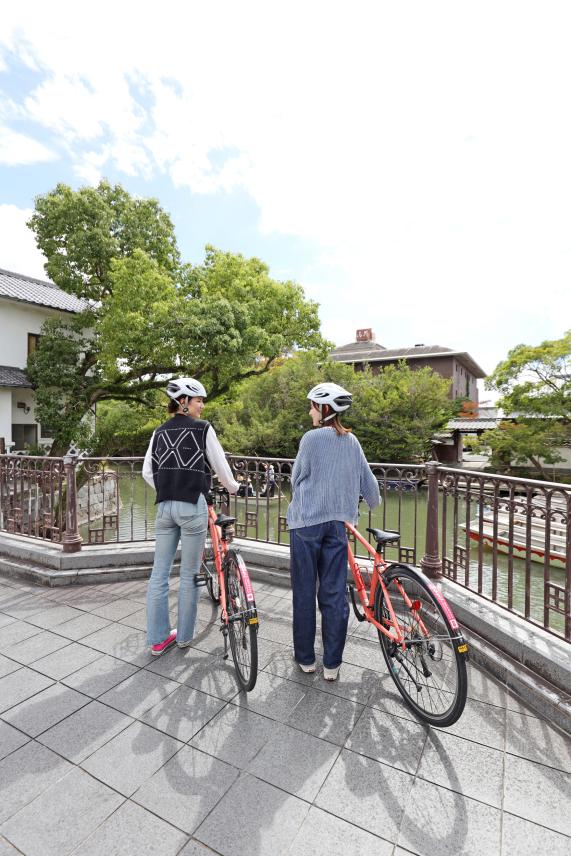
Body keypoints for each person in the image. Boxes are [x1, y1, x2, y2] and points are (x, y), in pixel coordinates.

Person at [286, 382, 380, 681]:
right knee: (333, 593)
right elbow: (370, 484)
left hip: (305, 525)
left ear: (324, 409)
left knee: (304, 591)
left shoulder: (311, 439)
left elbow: (296, 477)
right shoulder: (352, 442)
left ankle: (305, 658)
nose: (310, 411)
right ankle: (332, 663)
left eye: (313, 405)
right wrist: (371, 505)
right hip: (338, 526)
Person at [142, 377, 239, 656]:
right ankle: (184, 637)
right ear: (183, 402)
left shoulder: (158, 432)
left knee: (159, 574)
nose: (202, 406)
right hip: (191, 506)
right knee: (189, 574)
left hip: (164, 507)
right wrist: (235, 488)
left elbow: (147, 473)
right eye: (199, 400)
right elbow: (221, 469)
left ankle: (159, 639)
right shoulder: (202, 429)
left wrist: (167, 487)